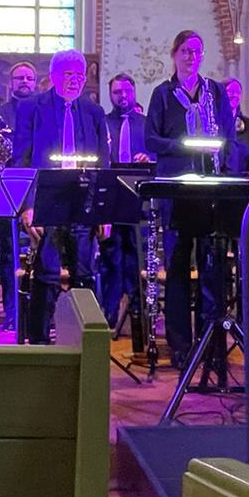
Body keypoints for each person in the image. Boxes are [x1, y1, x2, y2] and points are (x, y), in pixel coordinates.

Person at [145, 30, 234, 370]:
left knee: (212, 266)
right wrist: (183, 145)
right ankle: (180, 344)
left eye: (196, 51)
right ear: (174, 54)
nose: (190, 57)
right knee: (178, 267)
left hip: (210, 187)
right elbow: (151, 140)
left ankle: (211, 341)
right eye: (184, 51)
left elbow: (228, 135)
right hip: (177, 189)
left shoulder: (215, 92)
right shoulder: (163, 94)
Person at [14, 49, 109, 345]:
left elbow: (103, 163)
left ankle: (83, 343)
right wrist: (28, 205)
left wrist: (103, 210)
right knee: (46, 275)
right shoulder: (32, 108)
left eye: (80, 74)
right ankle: (40, 344)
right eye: (69, 74)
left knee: (84, 274)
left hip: (82, 201)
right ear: (54, 76)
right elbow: (22, 159)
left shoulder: (94, 112)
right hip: (47, 199)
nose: (75, 80)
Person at [0, 59, 37, 326]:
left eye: (29, 78)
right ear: (10, 83)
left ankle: (38, 313)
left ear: (35, 83)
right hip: (5, 190)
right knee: (8, 253)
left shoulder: (42, 111)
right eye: (19, 78)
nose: (24, 82)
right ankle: (13, 313)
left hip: (36, 189)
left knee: (43, 253)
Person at [100, 72, 152, 333]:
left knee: (136, 258)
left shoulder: (147, 123)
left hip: (138, 198)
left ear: (134, 92)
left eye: (126, 91)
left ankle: (136, 314)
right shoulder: (103, 123)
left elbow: (157, 153)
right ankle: (109, 315)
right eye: (117, 92)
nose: (122, 96)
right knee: (111, 258)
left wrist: (148, 157)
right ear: (110, 94)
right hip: (110, 198)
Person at [225, 77, 249, 174]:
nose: (235, 95)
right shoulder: (211, 124)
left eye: (238, 92)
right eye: (230, 91)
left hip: (246, 180)